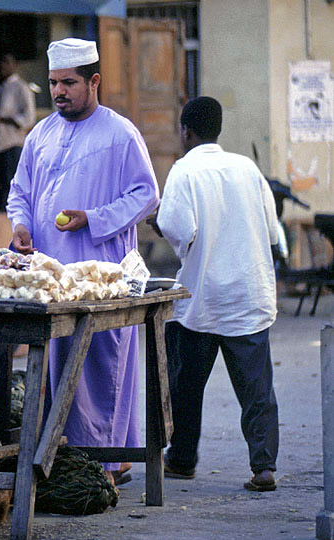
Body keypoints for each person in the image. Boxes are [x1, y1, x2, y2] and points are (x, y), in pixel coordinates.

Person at [6, 38, 159, 485]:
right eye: (53, 82)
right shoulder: (41, 133)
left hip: (100, 275)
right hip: (50, 277)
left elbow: (146, 194)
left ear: (93, 81)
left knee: (100, 366)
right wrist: (20, 225)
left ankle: (108, 464)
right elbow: (20, 191)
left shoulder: (120, 133)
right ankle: (72, 460)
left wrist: (93, 219)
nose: (59, 91)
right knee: (58, 366)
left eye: (69, 83)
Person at [155, 97, 280, 492]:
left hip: (202, 297)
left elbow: (178, 229)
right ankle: (264, 468)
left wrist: (155, 224)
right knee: (257, 389)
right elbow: (273, 229)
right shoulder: (247, 168)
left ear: (185, 131)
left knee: (185, 385)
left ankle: (182, 459)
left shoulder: (184, 171)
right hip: (247, 293)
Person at [0, 51, 36, 211]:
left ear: (14, 65)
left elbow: (28, 118)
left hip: (12, 143)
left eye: (7, 62)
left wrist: (3, 119)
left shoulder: (21, 88)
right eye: (0, 62)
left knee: (11, 184)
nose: (3, 66)